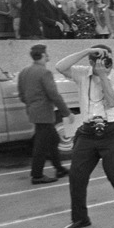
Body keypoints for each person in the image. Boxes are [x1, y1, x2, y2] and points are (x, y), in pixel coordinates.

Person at [55, 45, 114, 228]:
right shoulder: (82, 73)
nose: (106, 63)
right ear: (92, 62)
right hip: (87, 132)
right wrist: (86, 50)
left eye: (108, 59)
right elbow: (60, 67)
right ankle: (80, 218)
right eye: (100, 59)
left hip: (111, 131)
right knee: (76, 176)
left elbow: (112, 102)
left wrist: (103, 76)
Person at [18, 44, 74, 185]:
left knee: (53, 140)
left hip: (33, 111)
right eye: (47, 54)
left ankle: (59, 168)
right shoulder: (44, 73)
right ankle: (37, 175)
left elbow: (21, 94)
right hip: (44, 113)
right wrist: (67, 112)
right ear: (43, 55)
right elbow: (54, 95)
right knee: (40, 146)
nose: (48, 56)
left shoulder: (24, 71)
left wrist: (31, 105)